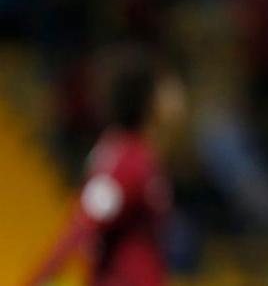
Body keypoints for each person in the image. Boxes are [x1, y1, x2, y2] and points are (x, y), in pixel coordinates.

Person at [26, 62, 186, 286]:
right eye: (167, 89)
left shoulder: (142, 156)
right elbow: (82, 225)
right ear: (149, 100)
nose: (177, 98)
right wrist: (35, 281)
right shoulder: (126, 161)